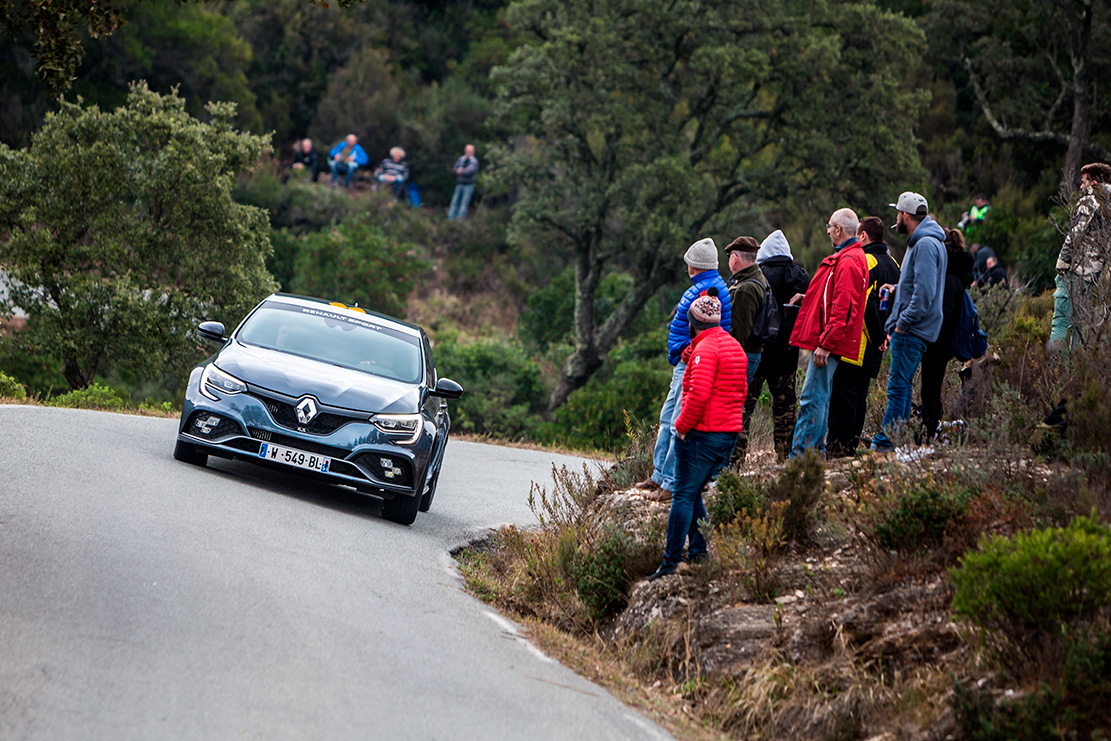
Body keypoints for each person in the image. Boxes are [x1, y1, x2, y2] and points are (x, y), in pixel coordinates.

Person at [648, 288, 746, 581]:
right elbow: (741, 392)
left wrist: (680, 427)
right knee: (694, 492)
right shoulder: (733, 346)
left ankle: (670, 561)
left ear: (693, 322)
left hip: (703, 434)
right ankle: (699, 552)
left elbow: (699, 395)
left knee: (682, 494)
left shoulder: (705, 351)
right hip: (728, 434)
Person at [637, 238, 732, 502]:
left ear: (697, 265)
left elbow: (707, 327)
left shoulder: (708, 291)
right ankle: (659, 475)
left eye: (690, 262)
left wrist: (688, 352)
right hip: (684, 359)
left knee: (677, 420)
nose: (687, 267)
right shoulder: (707, 286)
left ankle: (670, 481)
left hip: (690, 361)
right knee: (668, 417)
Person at [787, 208, 869, 458]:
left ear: (838, 230)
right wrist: (808, 298)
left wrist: (826, 343)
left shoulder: (848, 260)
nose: (828, 231)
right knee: (818, 397)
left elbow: (844, 308)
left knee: (812, 398)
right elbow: (833, 297)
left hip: (828, 343)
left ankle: (802, 457)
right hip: (830, 340)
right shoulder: (849, 257)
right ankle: (815, 452)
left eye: (830, 226)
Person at [871, 192, 947, 453]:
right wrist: (898, 289)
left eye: (898, 214)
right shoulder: (930, 241)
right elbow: (919, 285)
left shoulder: (924, 244)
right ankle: (892, 439)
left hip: (912, 330)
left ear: (905, 215)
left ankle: (884, 443)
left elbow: (924, 294)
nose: (896, 219)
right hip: (918, 328)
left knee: (897, 388)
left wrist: (902, 323)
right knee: (901, 386)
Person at [732, 230, 811, 463]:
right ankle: (786, 459)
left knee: (743, 409)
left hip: (757, 353)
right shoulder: (801, 277)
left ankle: (735, 460)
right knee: (785, 411)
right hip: (787, 355)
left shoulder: (755, 277)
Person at [825, 216, 901, 457]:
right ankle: (851, 447)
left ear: (863, 236)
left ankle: (839, 450)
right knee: (860, 398)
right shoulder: (894, 264)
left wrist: (878, 335)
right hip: (880, 343)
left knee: (843, 400)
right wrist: (887, 335)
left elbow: (863, 301)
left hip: (859, 343)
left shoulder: (864, 260)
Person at [919, 228, 974, 440]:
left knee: (929, 388)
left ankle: (928, 430)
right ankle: (931, 426)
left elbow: (942, 312)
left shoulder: (945, 278)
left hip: (935, 339)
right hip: (947, 341)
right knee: (934, 385)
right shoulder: (961, 278)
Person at [1049, 162, 1111, 348]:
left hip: (1076, 270)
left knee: (1059, 322)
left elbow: (1075, 234)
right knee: (1077, 325)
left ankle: (1051, 370)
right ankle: (1076, 371)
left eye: (1083, 181)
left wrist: (1062, 263)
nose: (1081, 186)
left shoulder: (1089, 202)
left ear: (1093, 182)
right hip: (1094, 274)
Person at [723, 236, 767, 466]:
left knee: (734, 410)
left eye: (731, 256)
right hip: (749, 354)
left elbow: (739, 333)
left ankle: (731, 463)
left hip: (742, 355)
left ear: (735, 258)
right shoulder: (753, 279)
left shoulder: (746, 288)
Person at [447, 144, 479, 221]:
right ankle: (450, 220)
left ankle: (459, 222)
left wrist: (461, 171)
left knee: (463, 205)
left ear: (473, 152)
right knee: (454, 203)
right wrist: (460, 170)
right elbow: (454, 169)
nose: (468, 152)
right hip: (459, 184)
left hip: (468, 186)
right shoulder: (461, 159)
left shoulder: (474, 161)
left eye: (470, 151)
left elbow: (470, 172)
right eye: (467, 151)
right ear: (465, 151)